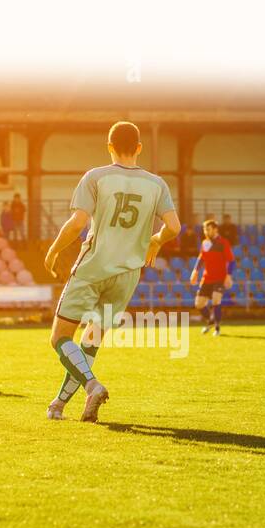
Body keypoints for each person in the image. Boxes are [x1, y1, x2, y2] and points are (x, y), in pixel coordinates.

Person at [42, 121, 180, 422]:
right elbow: (174, 227)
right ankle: (58, 406)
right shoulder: (157, 184)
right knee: (90, 341)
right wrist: (156, 241)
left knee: (59, 338)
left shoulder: (96, 177)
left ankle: (92, 386)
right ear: (139, 148)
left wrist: (53, 251)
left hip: (93, 267)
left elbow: (78, 223)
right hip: (128, 274)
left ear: (109, 146)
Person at [189, 218, 235, 335]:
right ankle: (210, 321)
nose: (205, 231)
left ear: (215, 229)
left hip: (220, 278)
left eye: (208, 229)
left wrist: (228, 276)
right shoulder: (205, 243)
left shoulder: (223, 243)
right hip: (207, 278)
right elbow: (201, 258)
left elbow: (231, 261)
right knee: (198, 304)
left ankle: (217, 328)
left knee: (216, 300)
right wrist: (195, 271)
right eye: (204, 229)